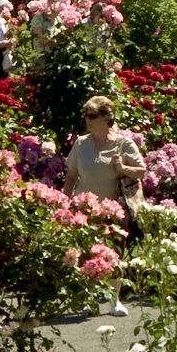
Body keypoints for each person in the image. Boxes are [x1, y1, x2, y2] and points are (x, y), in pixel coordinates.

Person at [63, 95, 146, 317]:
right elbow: (71, 176)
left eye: (92, 116)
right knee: (87, 255)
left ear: (106, 118)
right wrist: (64, 202)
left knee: (113, 255)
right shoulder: (81, 144)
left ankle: (113, 300)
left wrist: (123, 167)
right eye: (86, 116)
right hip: (86, 209)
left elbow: (142, 171)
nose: (87, 120)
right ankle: (88, 299)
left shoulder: (123, 144)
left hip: (113, 210)